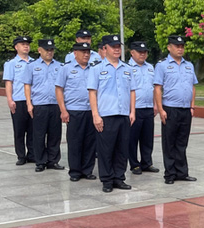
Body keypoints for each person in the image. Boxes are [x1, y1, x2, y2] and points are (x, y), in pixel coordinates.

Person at [87, 35, 136, 193]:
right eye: (113, 47)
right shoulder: (97, 69)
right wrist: (95, 114)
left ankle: (119, 178)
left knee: (122, 149)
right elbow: (92, 93)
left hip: (123, 114)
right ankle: (107, 180)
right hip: (106, 115)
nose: (117, 49)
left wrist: (132, 111)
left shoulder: (127, 69)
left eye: (118, 47)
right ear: (104, 49)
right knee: (106, 150)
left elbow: (132, 91)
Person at [153, 34, 198, 184]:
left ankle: (182, 172)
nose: (180, 49)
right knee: (169, 143)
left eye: (182, 46)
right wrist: (160, 109)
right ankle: (170, 174)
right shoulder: (162, 65)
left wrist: (192, 106)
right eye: (177, 46)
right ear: (169, 47)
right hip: (170, 109)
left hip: (185, 109)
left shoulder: (189, 65)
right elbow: (158, 88)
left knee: (182, 143)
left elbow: (192, 86)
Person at [56, 41, 98, 182]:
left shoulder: (93, 69)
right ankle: (75, 171)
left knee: (90, 142)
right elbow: (59, 89)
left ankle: (87, 170)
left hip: (90, 110)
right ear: (75, 53)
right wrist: (63, 110)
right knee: (75, 142)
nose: (86, 55)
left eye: (88, 52)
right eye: (83, 52)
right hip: (74, 111)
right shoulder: (66, 68)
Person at [21, 39, 65, 171]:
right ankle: (40, 161)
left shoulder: (60, 66)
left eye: (51, 50)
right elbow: (27, 85)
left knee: (55, 134)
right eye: (47, 50)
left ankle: (53, 160)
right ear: (40, 50)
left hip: (55, 104)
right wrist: (29, 103)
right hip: (39, 104)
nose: (49, 52)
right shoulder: (31, 66)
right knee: (39, 134)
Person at [126, 41, 159, 175]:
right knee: (132, 138)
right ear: (132, 52)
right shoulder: (126, 67)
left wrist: (156, 104)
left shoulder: (150, 67)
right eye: (139, 52)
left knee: (147, 138)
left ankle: (147, 163)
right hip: (134, 108)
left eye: (144, 52)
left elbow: (154, 88)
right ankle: (134, 164)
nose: (142, 54)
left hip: (148, 107)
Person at [2, 36, 35, 165]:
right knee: (19, 130)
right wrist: (10, 99)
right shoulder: (11, 64)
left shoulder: (34, 63)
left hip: (32, 100)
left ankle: (32, 154)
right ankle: (21, 155)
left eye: (27, 44)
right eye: (22, 44)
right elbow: (9, 83)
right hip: (19, 100)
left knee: (33, 130)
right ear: (16, 47)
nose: (26, 46)